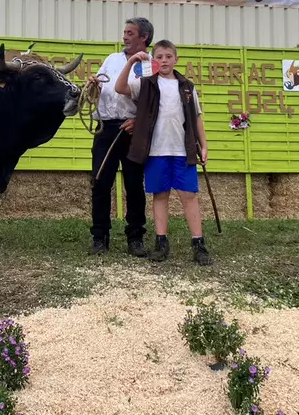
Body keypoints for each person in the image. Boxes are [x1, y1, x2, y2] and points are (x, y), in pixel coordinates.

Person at [114, 39, 211, 265]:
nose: (164, 60)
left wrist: (203, 145)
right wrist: (130, 63)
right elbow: (120, 88)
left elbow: (196, 117)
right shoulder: (146, 83)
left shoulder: (187, 86)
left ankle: (199, 243)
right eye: (159, 56)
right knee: (160, 195)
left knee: (189, 195)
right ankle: (161, 242)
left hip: (182, 150)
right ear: (152, 59)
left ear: (176, 59)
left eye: (168, 56)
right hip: (156, 151)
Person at [88, 17, 154, 257]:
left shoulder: (149, 64)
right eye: (124, 32)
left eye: (130, 33)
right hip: (106, 128)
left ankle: (135, 236)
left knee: (134, 186)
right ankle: (99, 236)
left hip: (131, 131)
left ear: (143, 37)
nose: (124, 37)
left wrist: (139, 121)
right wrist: (94, 84)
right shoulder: (112, 59)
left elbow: (153, 101)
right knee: (100, 182)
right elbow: (103, 84)